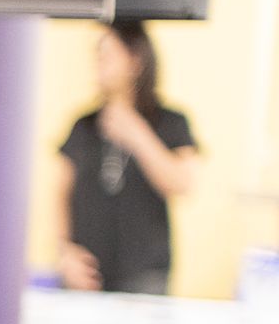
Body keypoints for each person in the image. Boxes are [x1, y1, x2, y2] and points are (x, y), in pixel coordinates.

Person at [57, 20, 201, 295]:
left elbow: (183, 184)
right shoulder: (83, 124)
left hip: (145, 278)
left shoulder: (170, 122)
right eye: (98, 55)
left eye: (108, 54)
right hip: (87, 275)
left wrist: (136, 134)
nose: (99, 62)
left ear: (136, 61)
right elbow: (59, 193)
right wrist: (66, 252)